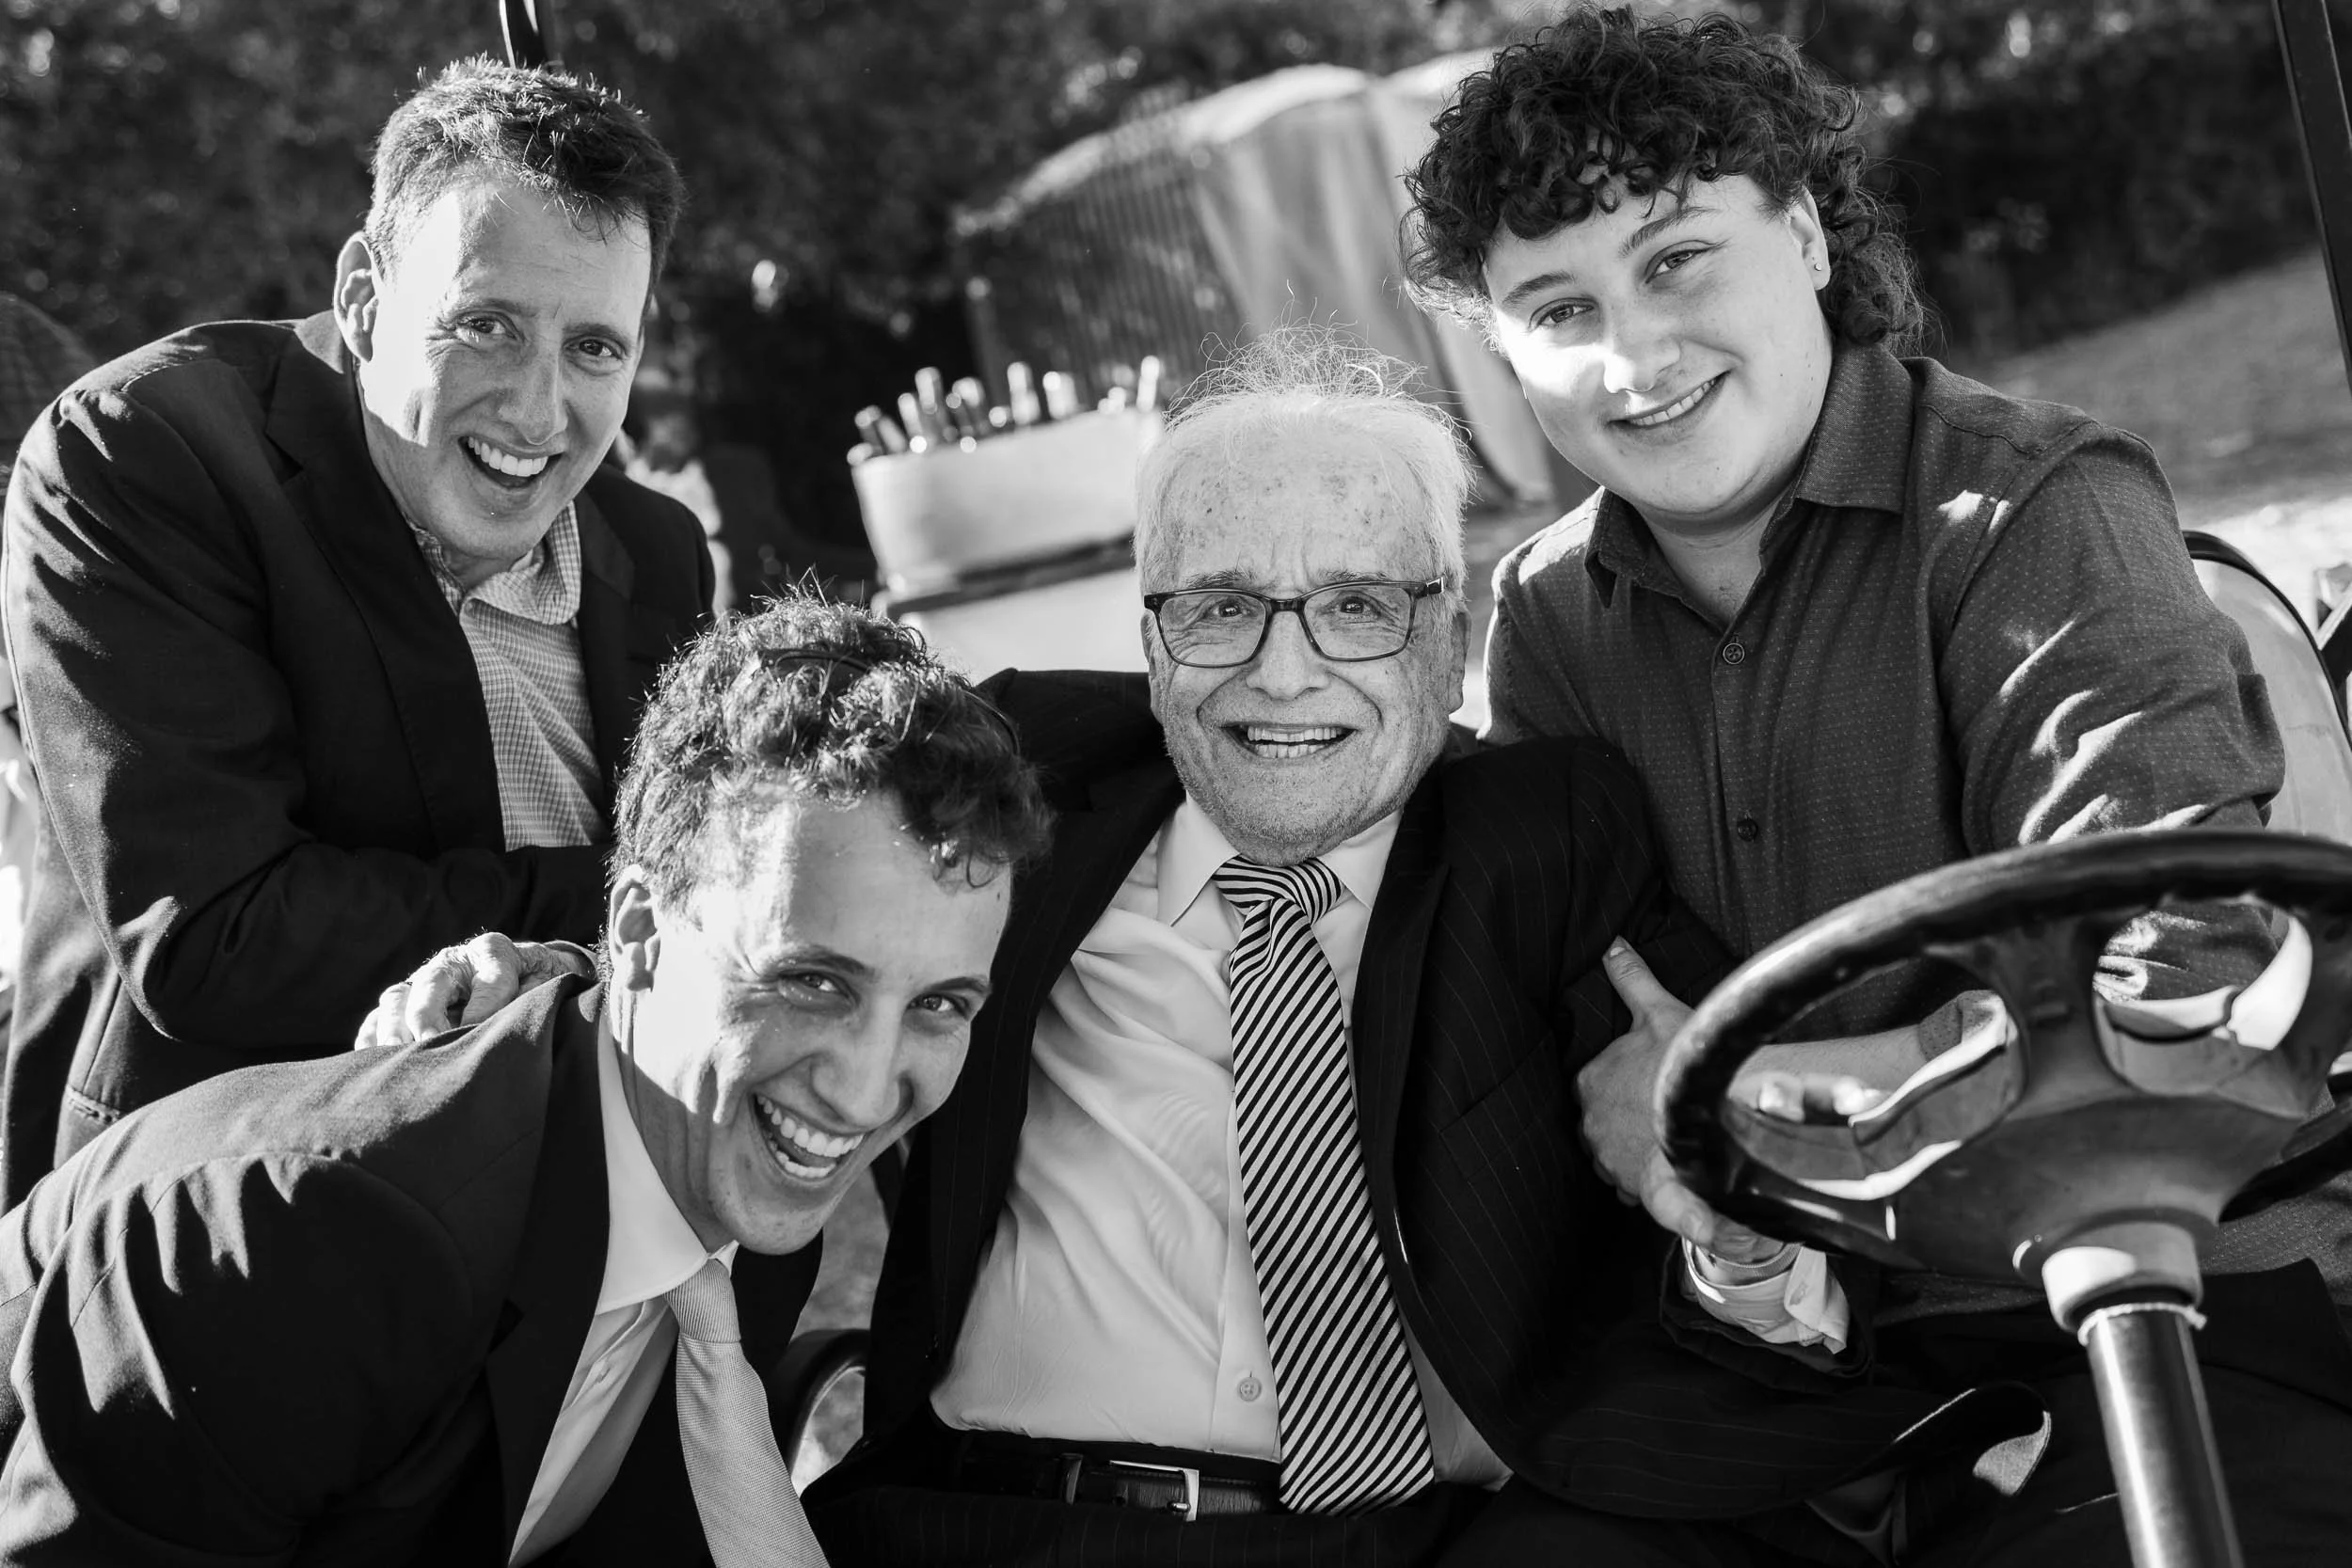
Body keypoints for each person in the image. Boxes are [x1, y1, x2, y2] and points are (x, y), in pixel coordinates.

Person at [364, 328, 1739, 1565]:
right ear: (1145, 633)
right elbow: (762, 868)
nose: (1281, 669)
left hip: (1401, 1540)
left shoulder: (1551, 840)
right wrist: (571, 980)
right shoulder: (1036, 784)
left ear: (1449, 637)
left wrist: (1721, 1157)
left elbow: (1737, 1157)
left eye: (1360, 605)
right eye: (1216, 605)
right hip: (992, 1522)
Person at [1402, 9, 2352, 1563]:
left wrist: (1753, 1104)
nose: (1633, 357)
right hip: (1809, 1371)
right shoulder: (1548, 625)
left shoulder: (2029, 508)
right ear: (1496, 348)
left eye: (1678, 259)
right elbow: (1596, 1041)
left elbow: (2178, 988)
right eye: (1556, 306)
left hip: (2177, 1304)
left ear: (1802, 232)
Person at [0, 596, 1048, 1564]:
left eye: (939, 1003)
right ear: (636, 930)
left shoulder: (741, 1170)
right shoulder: (301, 1230)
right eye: (812, 979)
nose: (863, 1094)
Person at [0, 59, 718, 1207]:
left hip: (564, 1220)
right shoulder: (140, 456)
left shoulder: (660, 550)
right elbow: (216, 936)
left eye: (596, 347)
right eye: (486, 324)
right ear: (368, 296)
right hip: (220, 1234)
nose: (538, 412)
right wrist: (635, 903)